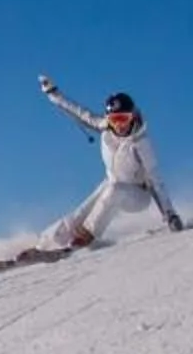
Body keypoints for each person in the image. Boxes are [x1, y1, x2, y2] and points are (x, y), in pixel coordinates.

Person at [28, 74, 183, 255]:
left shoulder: (141, 143)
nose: (119, 126)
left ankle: (86, 236)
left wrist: (170, 214)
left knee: (115, 189)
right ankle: (47, 243)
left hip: (138, 195)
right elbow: (78, 112)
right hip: (111, 186)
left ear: (132, 117)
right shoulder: (104, 128)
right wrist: (53, 94)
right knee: (81, 212)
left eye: (123, 119)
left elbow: (156, 181)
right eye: (115, 120)